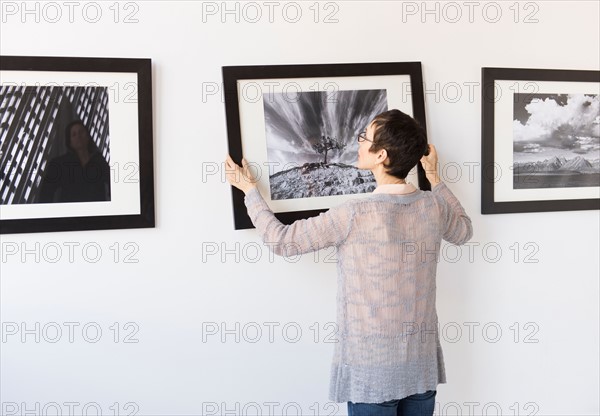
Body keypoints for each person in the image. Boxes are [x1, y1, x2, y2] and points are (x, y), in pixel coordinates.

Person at [225, 109, 473, 416]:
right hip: (420, 371)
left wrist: (249, 191)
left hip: (373, 375)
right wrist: (434, 177)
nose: (357, 143)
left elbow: (282, 241)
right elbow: (463, 231)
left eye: (364, 137)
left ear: (381, 155)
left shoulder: (355, 213)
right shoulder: (433, 205)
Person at [39, 120, 111, 203]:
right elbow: (46, 192)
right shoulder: (60, 163)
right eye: (74, 134)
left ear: (88, 136)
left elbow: (112, 183)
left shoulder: (99, 160)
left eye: (81, 132)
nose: (78, 136)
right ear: (70, 142)